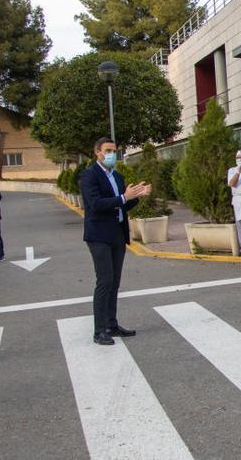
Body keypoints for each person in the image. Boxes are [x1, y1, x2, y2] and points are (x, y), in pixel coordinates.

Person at [80, 137, 150, 345]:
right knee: (104, 281)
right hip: (99, 236)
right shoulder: (89, 175)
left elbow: (122, 205)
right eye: (108, 150)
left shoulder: (117, 176)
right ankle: (99, 330)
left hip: (117, 235)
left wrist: (137, 196)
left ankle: (112, 324)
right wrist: (123, 198)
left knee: (114, 282)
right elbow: (95, 204)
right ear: (97, 152)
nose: (112, 154)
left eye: (114, 151)